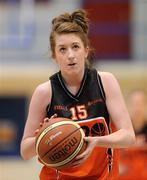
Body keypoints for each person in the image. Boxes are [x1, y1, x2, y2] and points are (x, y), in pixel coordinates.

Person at [20, 9, 135, 180]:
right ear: (54, 56)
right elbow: (25, 151)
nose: (70, 55)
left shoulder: (105, 82)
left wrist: (97, 141)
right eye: (62, 49)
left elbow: (128, 136)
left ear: (86, 50)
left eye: (75, 47)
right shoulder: (44, 92)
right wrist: (44, 134)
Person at [118, 89, 147, 179]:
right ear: (128, 106)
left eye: (141, 104)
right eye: (134, 104)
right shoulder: (120, 130)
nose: (137, 108)